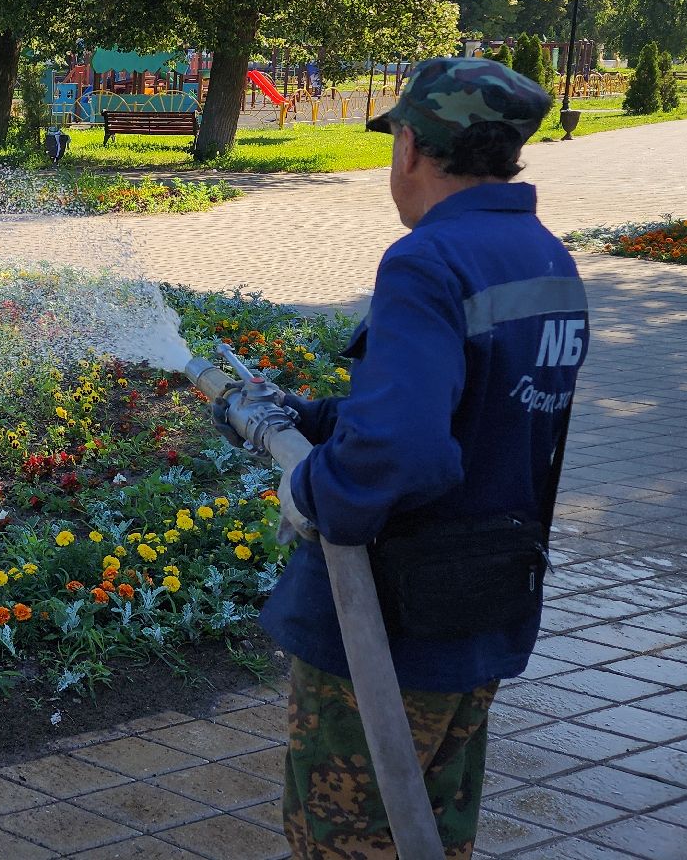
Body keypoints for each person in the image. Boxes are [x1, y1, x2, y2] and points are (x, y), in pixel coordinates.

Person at [261, 57, 587, 859]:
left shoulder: (427, 261)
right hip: (481, 609)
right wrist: (326, 417)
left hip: (390, 626)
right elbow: (483, 412)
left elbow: (405, 450)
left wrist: (312, 490)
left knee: (347, 839)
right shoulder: (542, 256)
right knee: (432, 833)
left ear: (409, 146)